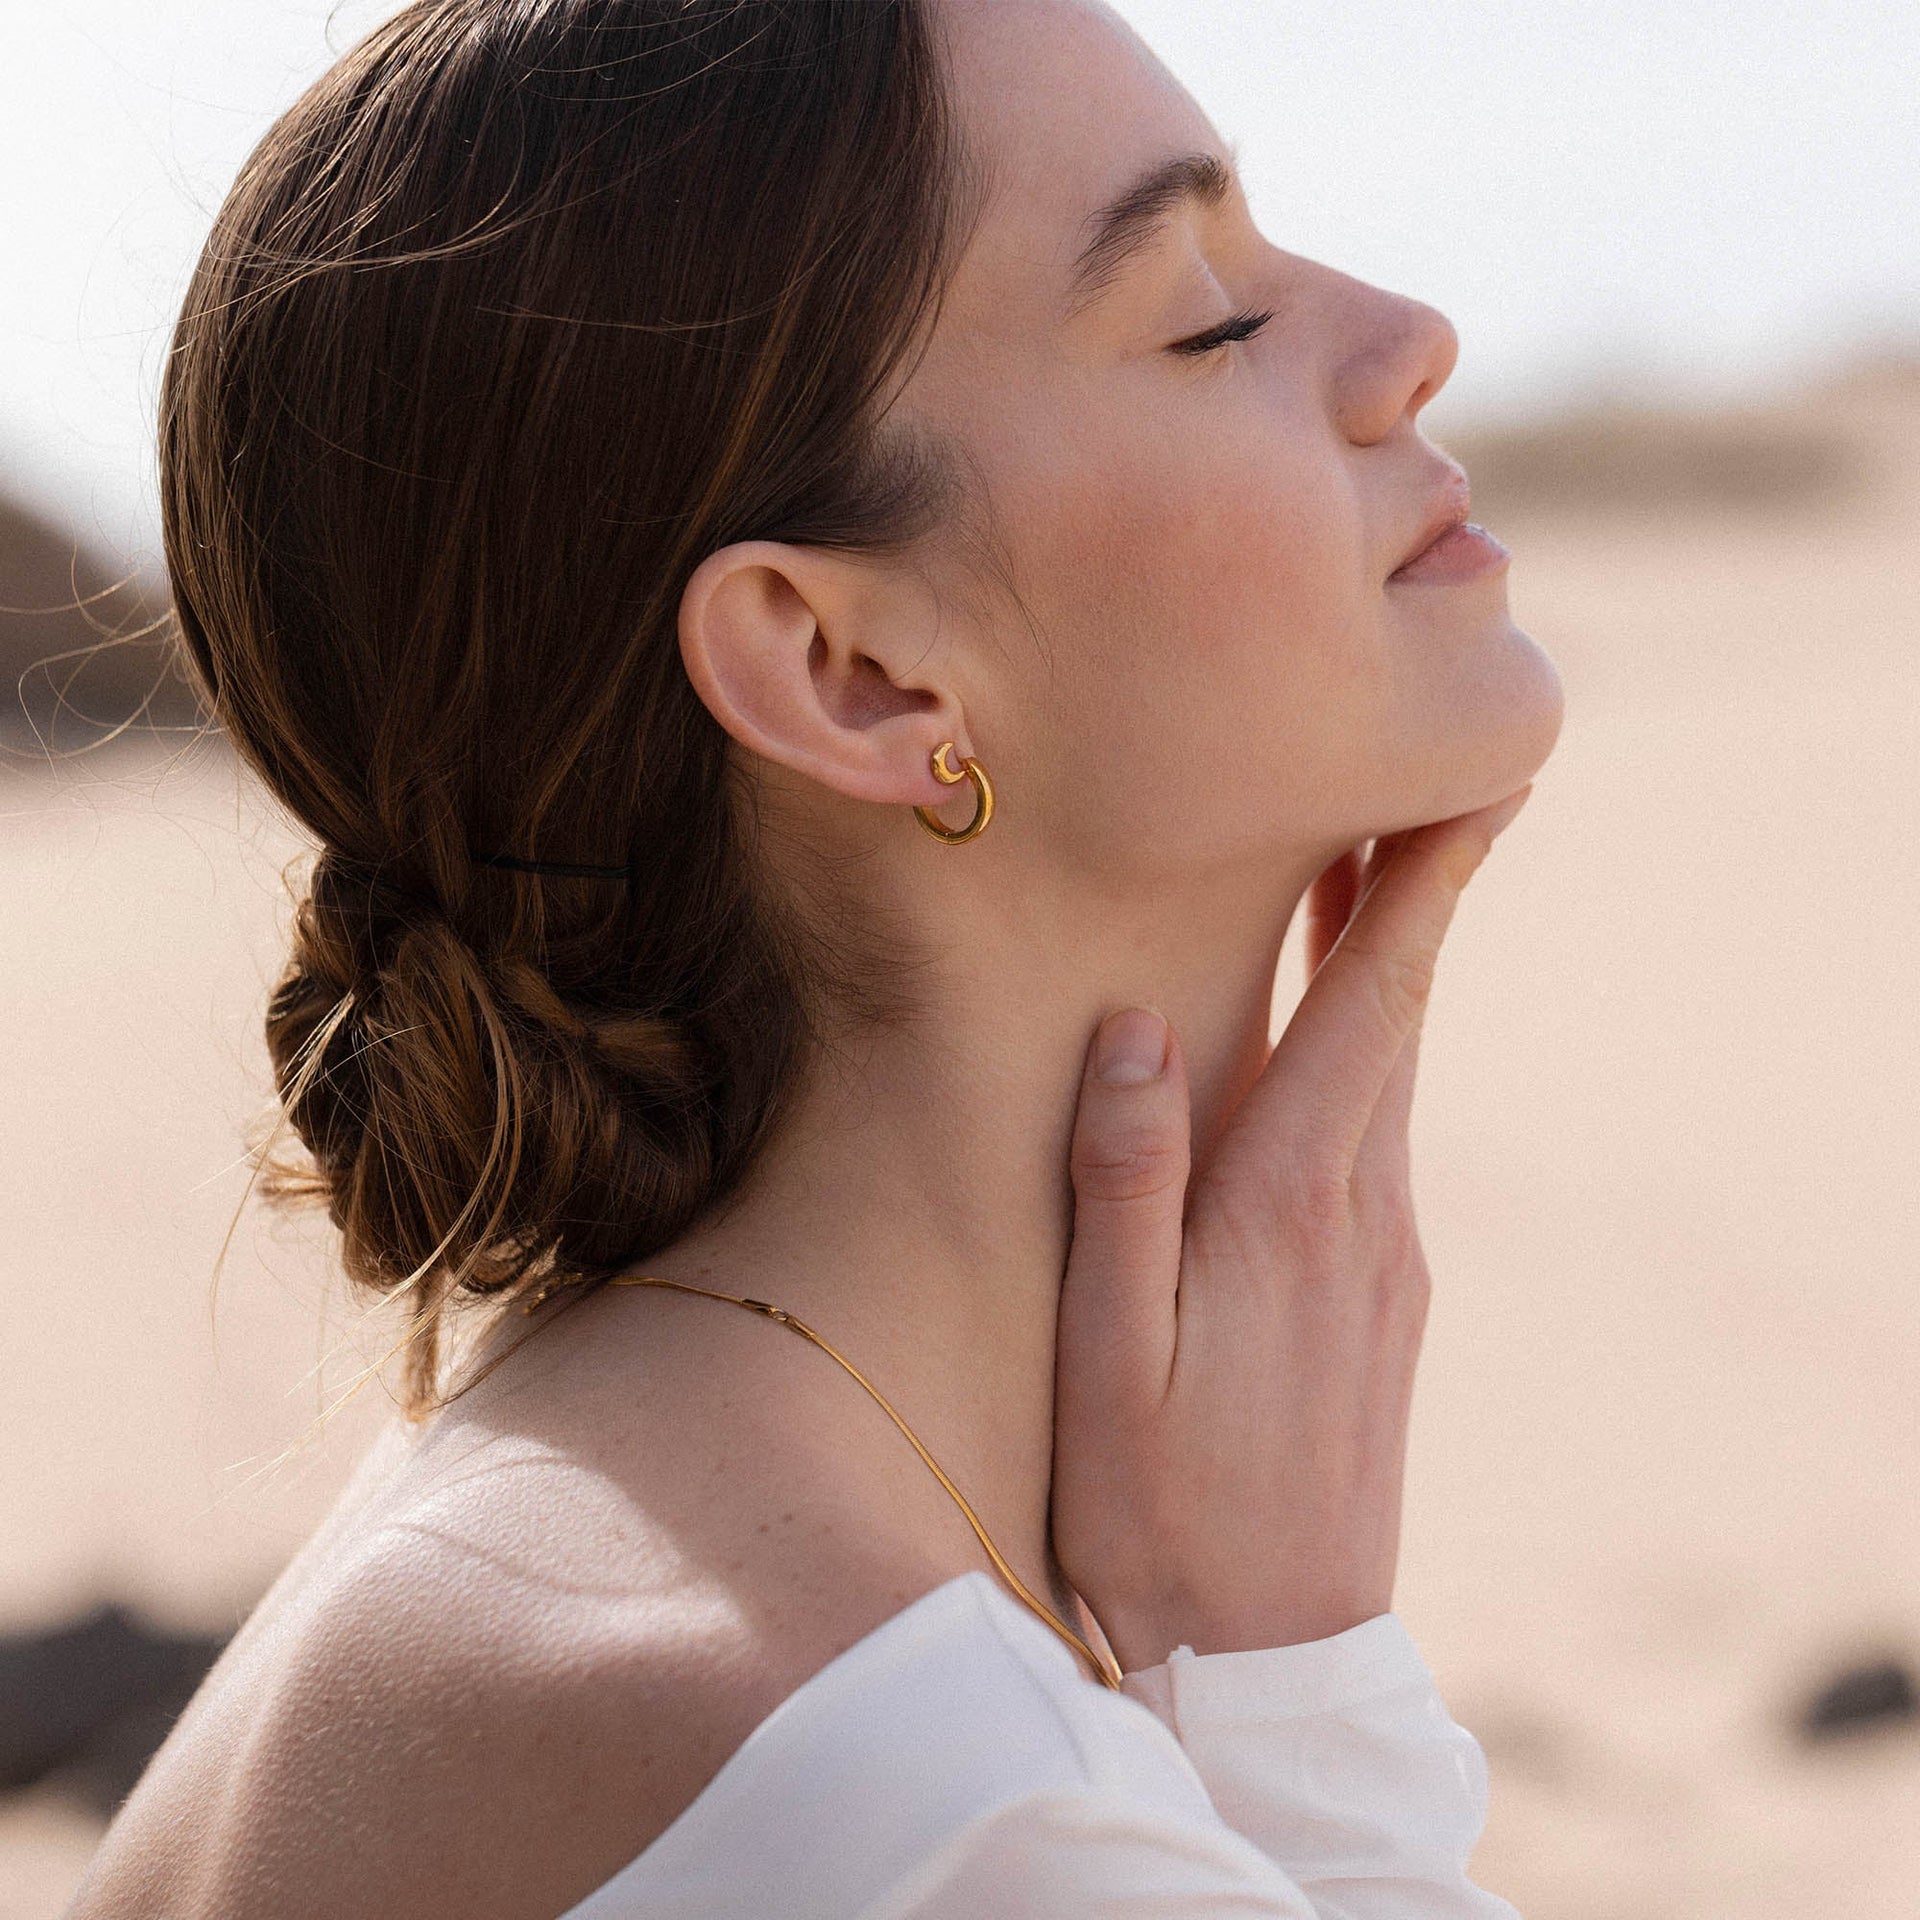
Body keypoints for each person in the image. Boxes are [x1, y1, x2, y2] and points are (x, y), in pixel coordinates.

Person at [68, 0, 1564, 1914]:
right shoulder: (910, 1797)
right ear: (847, 670)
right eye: (1207, 315)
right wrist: (1296, 1706)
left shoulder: (583, 1529)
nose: (1411, 337)